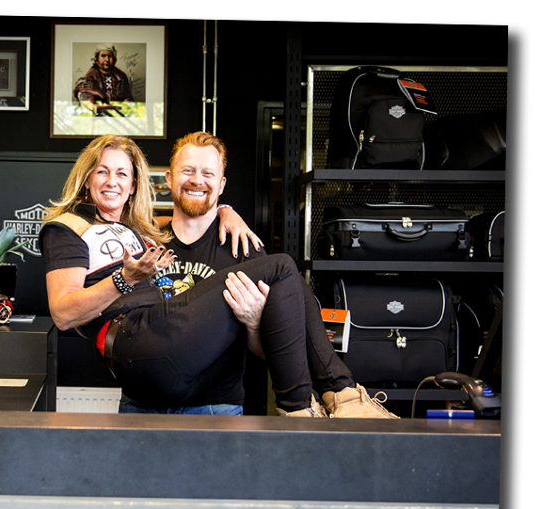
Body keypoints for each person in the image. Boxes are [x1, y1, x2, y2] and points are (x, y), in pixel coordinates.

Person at [39, 133, 397, 418]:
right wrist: (124, 279)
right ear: (168, 179)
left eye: (122, 174)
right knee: (284, 266)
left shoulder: (238, 247)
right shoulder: (141, 237)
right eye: (102, 171)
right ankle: (317, 401)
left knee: (283, 271)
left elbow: (271, 346)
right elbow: (65, 311)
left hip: (213, 404)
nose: (197, 181)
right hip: (143, 385)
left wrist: (253, 322)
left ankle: (333, 395)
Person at [73, 44, 134, 116]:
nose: (107, 59)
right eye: (103, 56)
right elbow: (90, 107)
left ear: (114, 59)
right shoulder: (89, 79)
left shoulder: (121, 77)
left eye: (109, 56)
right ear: (96, 59)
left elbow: (129, 102)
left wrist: (101, 93)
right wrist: (116, 106)